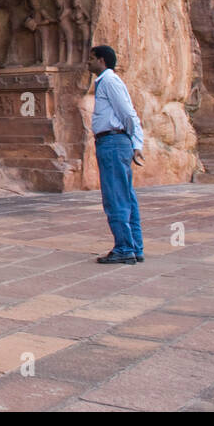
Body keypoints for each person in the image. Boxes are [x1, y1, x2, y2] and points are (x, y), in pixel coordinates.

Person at [88, 45, 146, 263]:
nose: (88, 62)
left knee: (115, 197)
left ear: (102, 61)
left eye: (91, 58)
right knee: (126, 196)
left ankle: (124, 248)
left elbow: (128, 114)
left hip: (112, 141)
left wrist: (136, 141)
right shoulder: (108, 81)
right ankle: (135, 247)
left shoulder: (109, 81)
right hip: (116, 141)